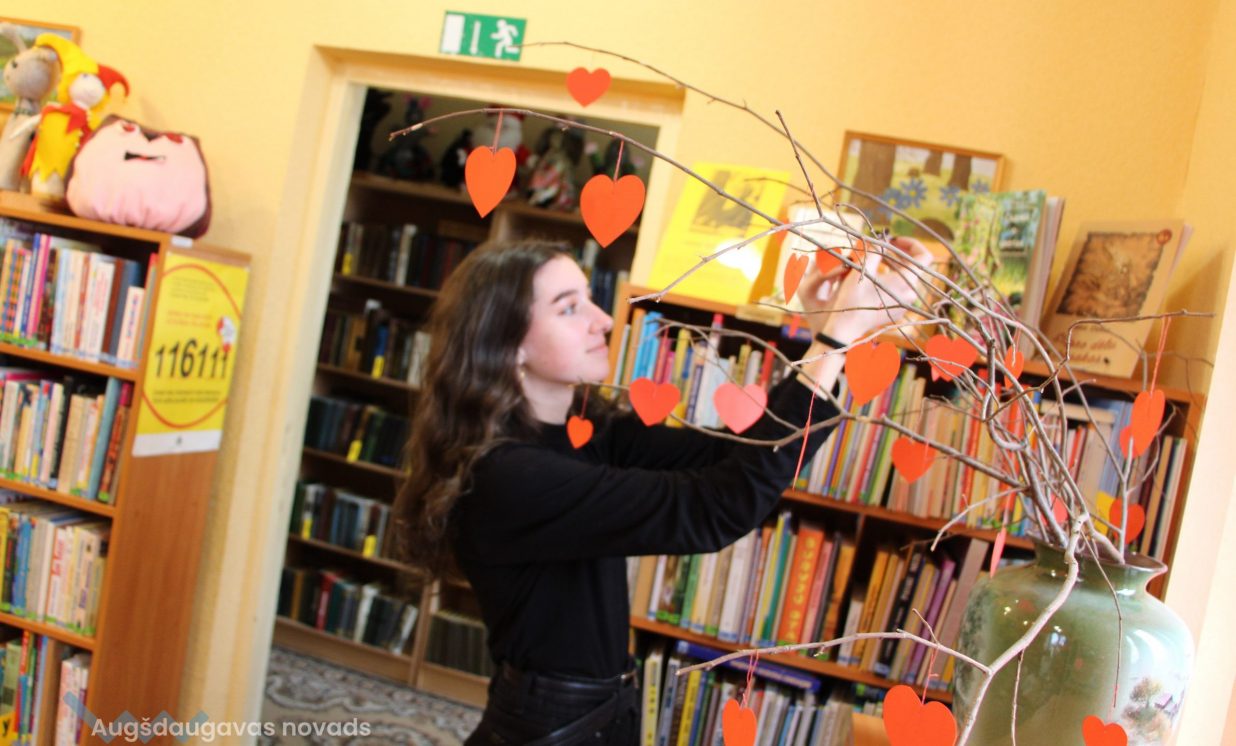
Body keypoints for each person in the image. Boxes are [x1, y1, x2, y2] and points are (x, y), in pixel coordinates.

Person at [393, 236, 932, 745]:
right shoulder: (507, 477)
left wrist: (830, 338)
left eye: (590, 298)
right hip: (552, 725)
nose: (603, 319)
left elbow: (731, 454)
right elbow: (715, 508)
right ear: (507, 343)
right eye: (569, 308)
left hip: (601, 709)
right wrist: (834, 341)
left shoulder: (588, 429)